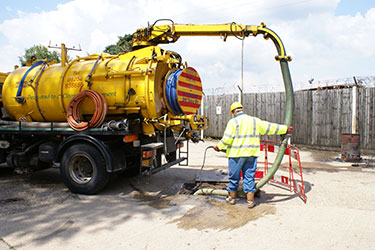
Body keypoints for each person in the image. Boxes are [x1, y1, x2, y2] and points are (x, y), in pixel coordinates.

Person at [213, 102, 293, 208]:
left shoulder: (233, 122)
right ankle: (250, 201)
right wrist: (285, 129)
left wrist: (219, 146)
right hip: (251, 154)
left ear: (233, 112)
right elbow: (269, 127)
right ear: (241, 109)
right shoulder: (254, 121)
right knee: (249, 177)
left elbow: (227, 138)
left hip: (236, 155)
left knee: (234, 177)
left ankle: (232, 198)